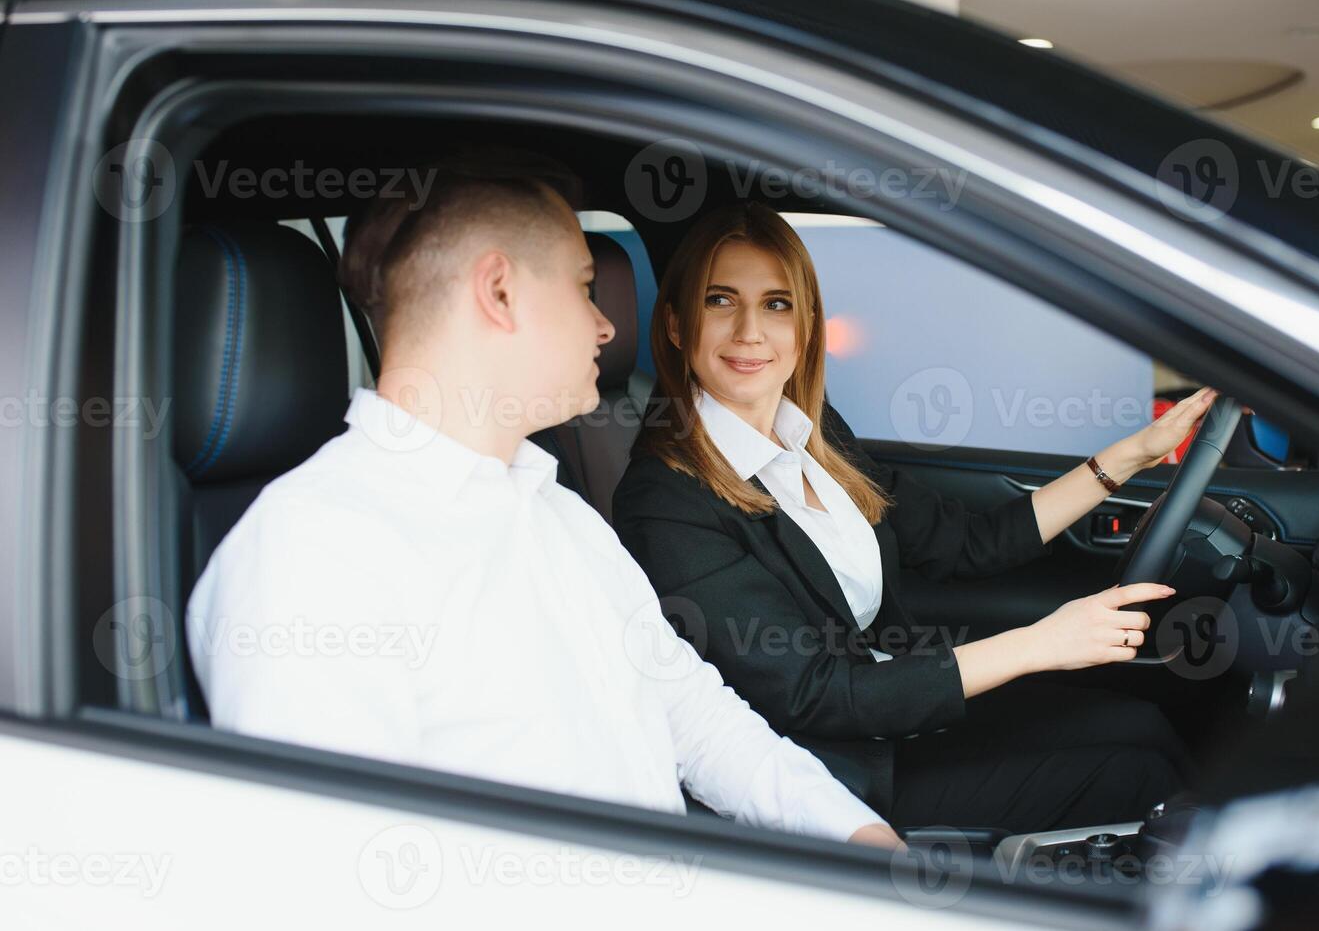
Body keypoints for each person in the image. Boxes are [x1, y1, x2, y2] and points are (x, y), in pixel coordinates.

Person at [184, 160, 902, 850]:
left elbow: (697, 718)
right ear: (498, 291)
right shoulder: (311, 559)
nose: (605, 325)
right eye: (584, 286)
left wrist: (856, 834)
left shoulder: (556, 514)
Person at [613, 201, 1213, 834]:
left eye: (776, 304)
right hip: (842, 771)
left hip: (904, 711)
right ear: (677, 326)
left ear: (807, 324)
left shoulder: (815, 435)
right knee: (1139, 778)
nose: (749, 332)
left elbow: (972, 542)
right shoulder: (667, 501)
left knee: (1144, 724)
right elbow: (815, 694)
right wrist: (1040, 645)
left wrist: (1129, 457)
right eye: (720, 301)